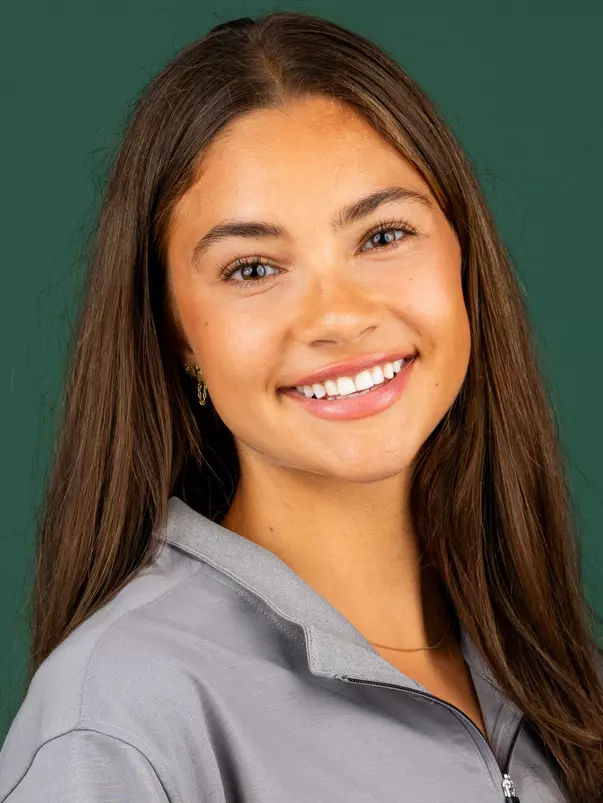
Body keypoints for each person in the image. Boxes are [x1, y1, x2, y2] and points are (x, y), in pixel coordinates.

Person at [0, 10, 601, 802]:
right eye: (251, 268)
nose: (337, 317)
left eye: (383, 235)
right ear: (176, 331)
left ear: (464, 256)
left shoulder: (550, 668)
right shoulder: (118, 719)